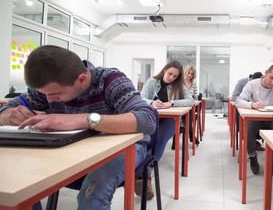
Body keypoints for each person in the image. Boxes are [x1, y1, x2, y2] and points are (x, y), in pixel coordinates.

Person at [0, 45, 158, 210]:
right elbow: (6, 109)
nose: (49, 100)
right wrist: (7, 115)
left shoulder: (111, 80)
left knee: (93, 190)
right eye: (44, 94)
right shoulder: (49, 87)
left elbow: (147, 119)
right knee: (16, 184)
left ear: (81, 79)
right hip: (72, 147)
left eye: (55, 94)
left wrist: (83, 119)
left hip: (125, 147)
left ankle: (140, 178)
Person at [140, 60, 194, 198]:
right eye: (170, 74)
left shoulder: (178, 85)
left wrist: (171, 103)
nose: (171, 78)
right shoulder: (152, 81)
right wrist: (151, 102)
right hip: (152, 117)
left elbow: (190, 101)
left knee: (161, 139)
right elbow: (140, 98)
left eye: (175, 76)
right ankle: (140, 172)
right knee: (146, 140)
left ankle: (146, 173)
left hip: (170, 119)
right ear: (164, 70)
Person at [235, 64, 273, 175]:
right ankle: (252, 156)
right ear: (266, 72)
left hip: (270, 118)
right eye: (271, 78)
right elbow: (239, 101)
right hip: (255, 118)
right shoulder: (252, 84)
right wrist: (252, 105)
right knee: (250, 127)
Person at [231, 71, 264, 150]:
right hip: (245, 109)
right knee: (246, 123)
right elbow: (234, 97)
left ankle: (254, 141)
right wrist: (249, 104)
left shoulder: (263, 85)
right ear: (251, 79)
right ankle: (249, 143)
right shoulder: (242, 82)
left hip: (258, 111)